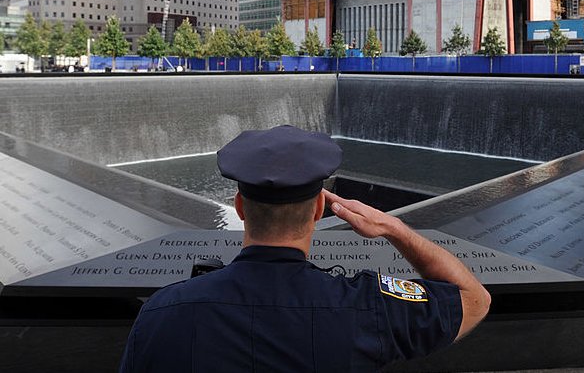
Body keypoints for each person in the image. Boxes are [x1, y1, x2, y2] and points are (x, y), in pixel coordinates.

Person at [119, 126, 490, 372]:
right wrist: (394, 228)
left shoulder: (162, 314)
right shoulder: (368, 307)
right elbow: (474, 300)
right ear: (317, 210)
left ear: (240, 208)